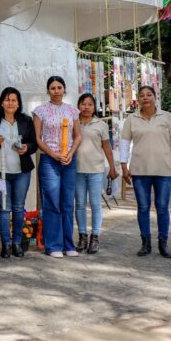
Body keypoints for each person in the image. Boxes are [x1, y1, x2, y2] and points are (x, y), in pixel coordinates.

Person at [120, 85, 171, 258]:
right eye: (142, 95)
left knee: (162, 208)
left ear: (155, 97)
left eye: (149, 94)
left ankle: (163, 243)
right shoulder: (131, 120)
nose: (145, 98)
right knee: (143, 207)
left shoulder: (167, 117)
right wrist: (123, 166)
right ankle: (145, 243)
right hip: (139, 171)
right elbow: (124, 144)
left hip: (164, 170)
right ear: (138, 100)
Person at [0, 87, 38, 259]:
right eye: (7, 99)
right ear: (1, 102)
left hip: (22, 171)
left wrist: (26, 148)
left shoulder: (26, 120)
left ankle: (17, 243)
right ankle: (6, 244)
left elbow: (34, 144)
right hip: (1, 172)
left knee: (18, 208)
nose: (10, 103)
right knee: (4, 208)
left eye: (14, 100)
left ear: (19, 103)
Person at [33, 76, 82, 258]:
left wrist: (70, 153)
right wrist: (53, 154)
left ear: (64, 89)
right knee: (52, 202)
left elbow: (78, 136)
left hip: (68, 160)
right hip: (49, 159)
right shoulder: (40, 111)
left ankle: (68, 245)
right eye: (52, 88)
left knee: (68, 203)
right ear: (48, 90)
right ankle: (53, 245)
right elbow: (37, 138)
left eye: (59, 87)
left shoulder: (72, 110)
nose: (56, 91)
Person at [73, 93, 116, 254]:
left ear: (94, 107)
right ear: (78, 106)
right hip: (77, 170)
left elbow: (107, 147)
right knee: (80, 204)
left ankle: (95, 237)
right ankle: (82, 236)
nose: (86, 107)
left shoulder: (101, 125)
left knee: (95, 204)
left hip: (96, 170)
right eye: (83, 104)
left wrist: (112, 168)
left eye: (90, 104)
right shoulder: (73, 122)